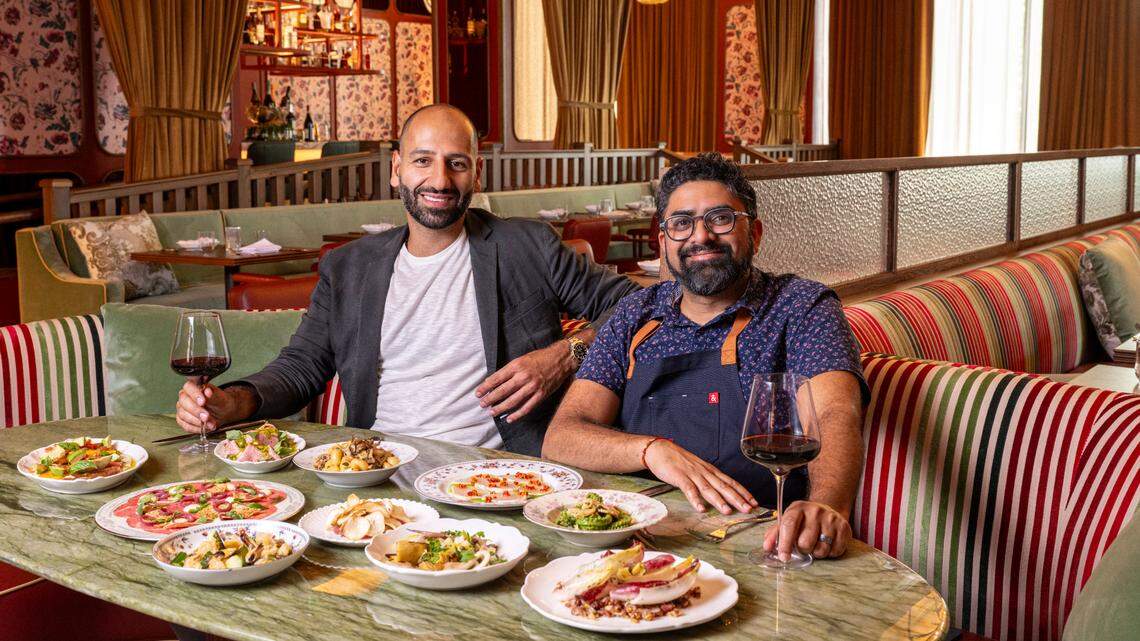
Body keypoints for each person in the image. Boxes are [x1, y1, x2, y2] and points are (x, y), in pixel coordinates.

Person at [174, 104, 640, 456]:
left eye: (456, 163)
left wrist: (564, 356)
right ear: (396, 167)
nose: (439, 180)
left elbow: (634, 302)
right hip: (378, 466)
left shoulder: (526, 246)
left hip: (497, 470)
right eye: (422, 161)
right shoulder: (349, 267)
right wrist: (233, 403)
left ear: (476, 172)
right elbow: (302, 368)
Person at [542, 153, 867, 561]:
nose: (701, 237)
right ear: (663, 243)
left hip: (757, 544)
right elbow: (562, 437)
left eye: (720, 218)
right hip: (629, 544)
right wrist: (652, 450)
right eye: (681, 223)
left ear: (755, 233)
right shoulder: (635, 313)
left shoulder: (800, 307)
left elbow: (836, 412)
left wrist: (829, 506)